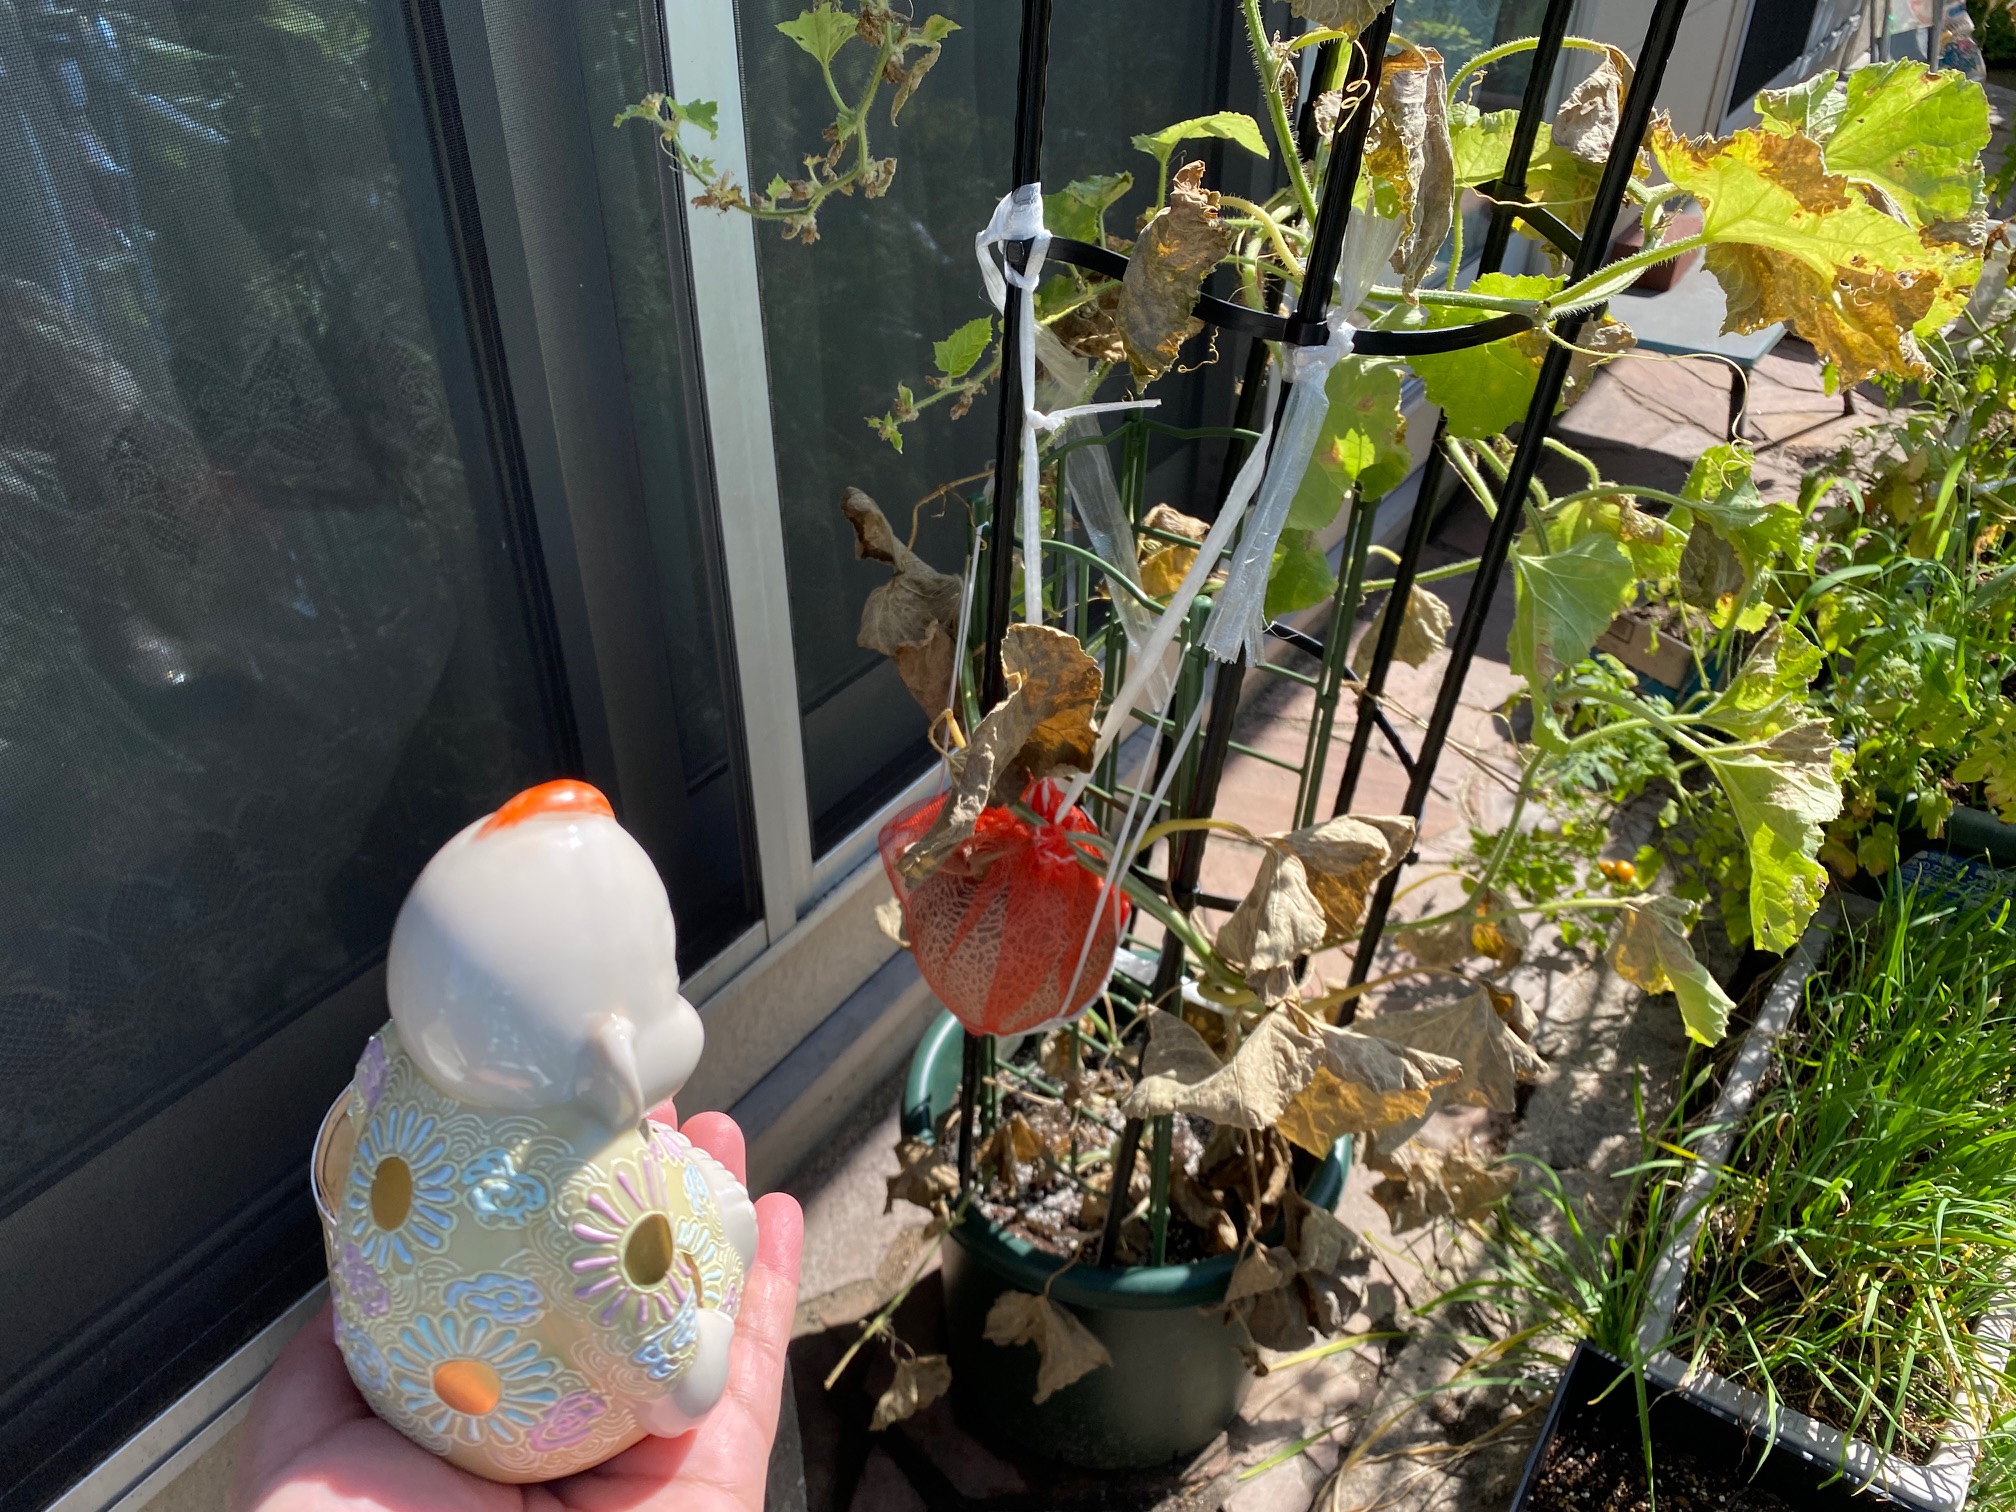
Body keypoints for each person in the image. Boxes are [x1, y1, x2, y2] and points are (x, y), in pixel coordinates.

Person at [230, 1107, 803, 1512]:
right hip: (589, 1359)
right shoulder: (590, 1198)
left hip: (439, 1365)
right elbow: (669, 1375)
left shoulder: (409, 1074)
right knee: (666, 1358)